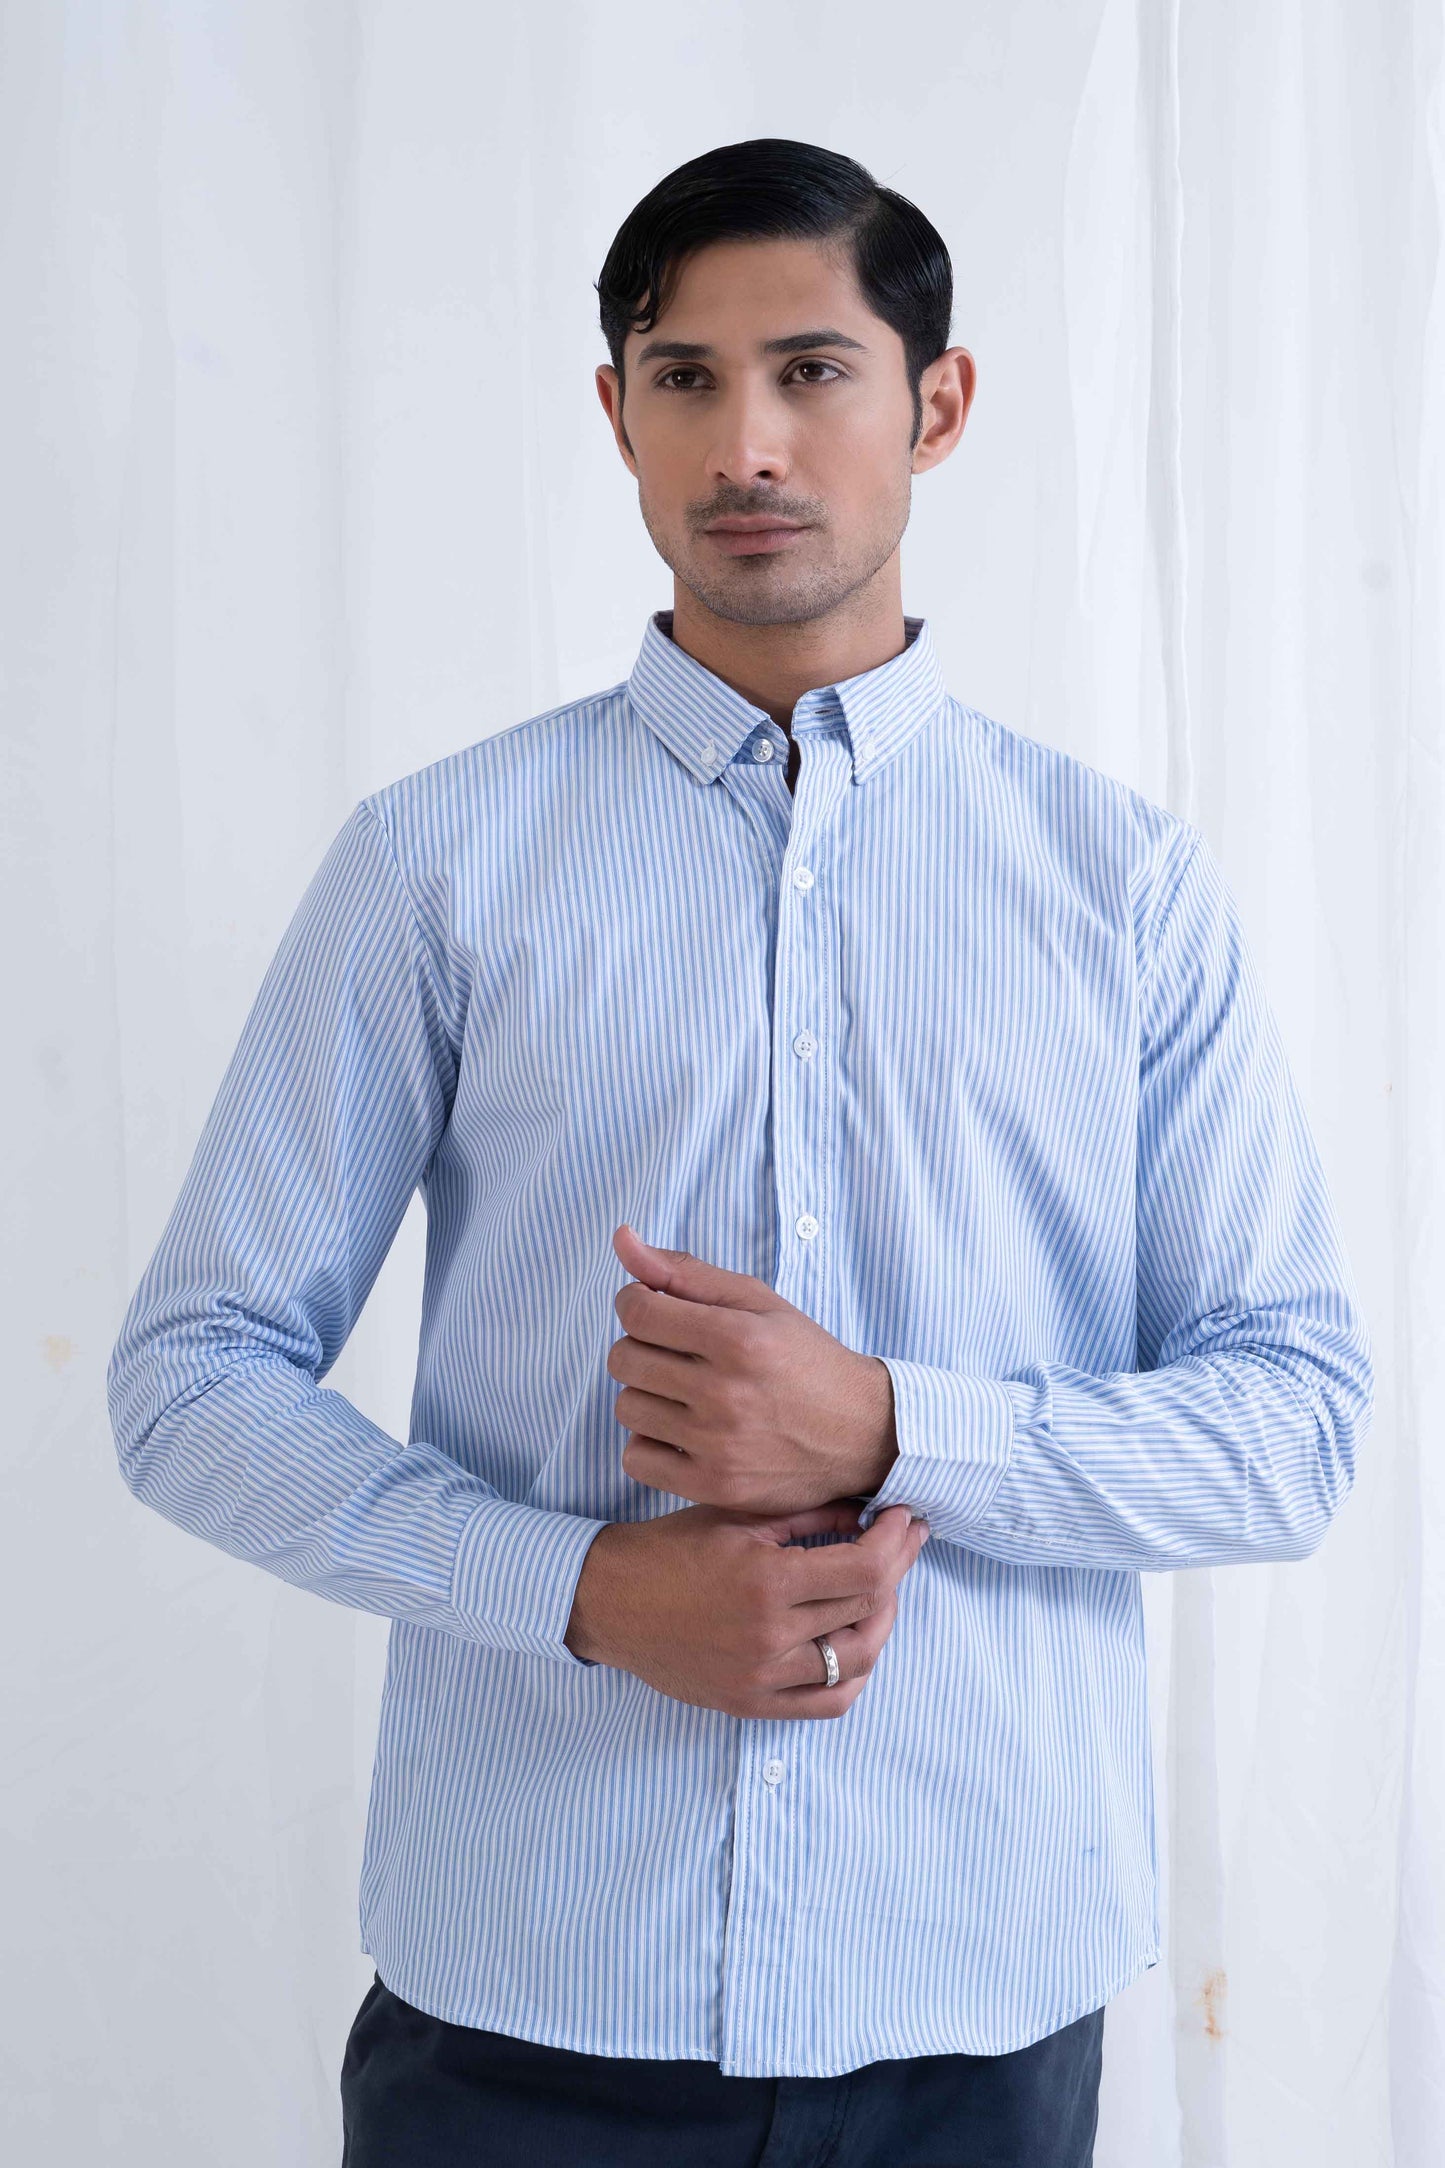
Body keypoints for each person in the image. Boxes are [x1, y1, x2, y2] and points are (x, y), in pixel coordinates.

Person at [106, 137, 1374, 2166]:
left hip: (978, 2008)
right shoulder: (439, 862)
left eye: (812, 370)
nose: (747, 443)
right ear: (616, 414)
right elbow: (190, 1380)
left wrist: (888, 1423)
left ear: (935, 405)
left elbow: (1293, 1428)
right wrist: (585, 1590)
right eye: (685, 379)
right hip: (530, 2006)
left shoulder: (1121, 888)